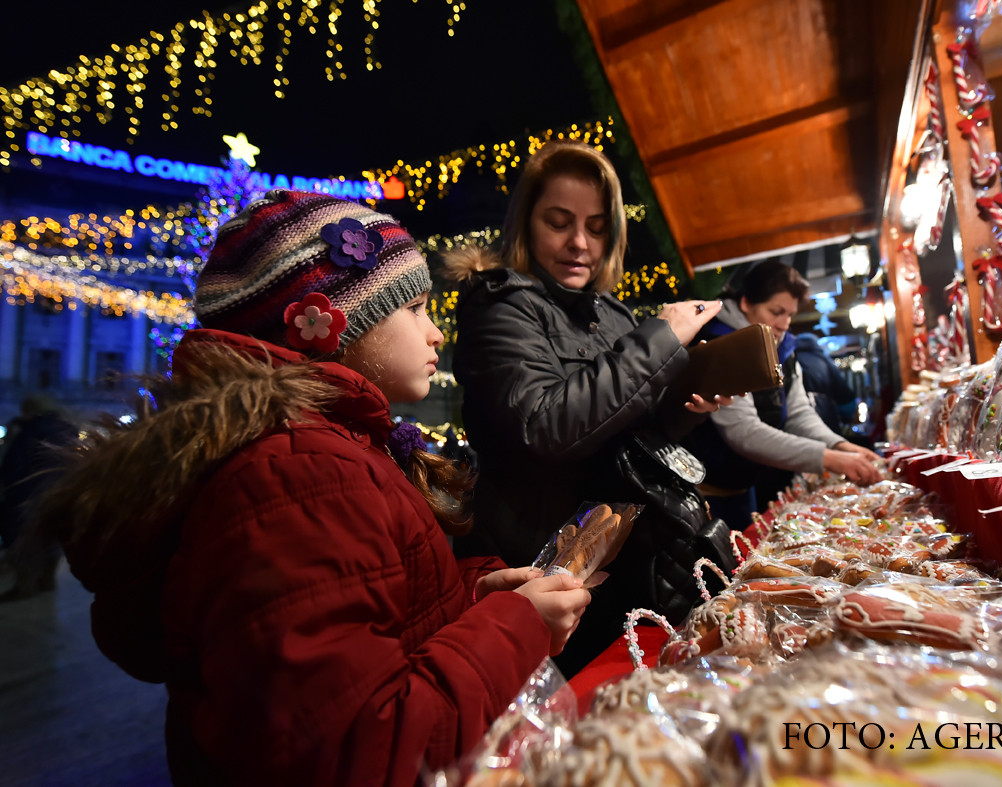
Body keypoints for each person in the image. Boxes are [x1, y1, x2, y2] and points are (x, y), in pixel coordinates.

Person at [34, 190, 591, 786]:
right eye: (415, 308)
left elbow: (369, 630)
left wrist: (473, 600)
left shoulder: (331, 450)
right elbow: (355, 746)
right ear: (328, 325)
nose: (435, 334)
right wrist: (515, 627)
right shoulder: (303, 475)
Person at [445, 140, 731, 675]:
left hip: (629, 568)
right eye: (559, 222)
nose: (579, 242)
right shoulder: (499, 304)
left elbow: (629, 437)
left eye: (597, 228)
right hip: (541, 574)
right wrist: (659, 339)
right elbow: (546, 426)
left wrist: (689, 406)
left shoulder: (612, 313)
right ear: (525, 223)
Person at [683, 260, 882, 530]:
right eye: (776, 312)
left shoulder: (783, 348)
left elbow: (798, 414)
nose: (784, 324)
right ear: (746, 303)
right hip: (704, 494)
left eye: (789, 314)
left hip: (745, 486)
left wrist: (839, 445)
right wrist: (829, 458)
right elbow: (743, 432)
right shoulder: (722, 344)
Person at [0, 394, 75, 600]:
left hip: (29, 493)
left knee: (23, 540)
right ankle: (47, 580)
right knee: (52, 538)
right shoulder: (67, 428)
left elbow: (16, 463)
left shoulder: (31, 431)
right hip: (59, 491)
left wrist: (9, 489)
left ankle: (25, 585)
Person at [794, 332, 861, 437]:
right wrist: (847, 417)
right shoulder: (823, 360)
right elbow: (843, 392)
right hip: (824, 415)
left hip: (796, 419)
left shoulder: (790, 359)